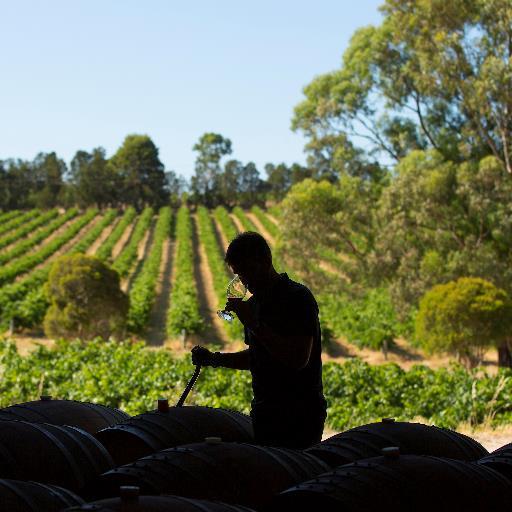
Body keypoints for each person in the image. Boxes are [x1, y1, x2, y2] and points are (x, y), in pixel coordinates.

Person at [192, 231, 326, 449]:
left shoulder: (297, 298)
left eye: (248, 271)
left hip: (300, 414)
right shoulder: (254, 305)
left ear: (266, 262)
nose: (244, 280)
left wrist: (253, 324)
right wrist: (213, 359)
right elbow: (258, 357)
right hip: (265, 412)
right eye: (239, 274)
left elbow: (298, 359)